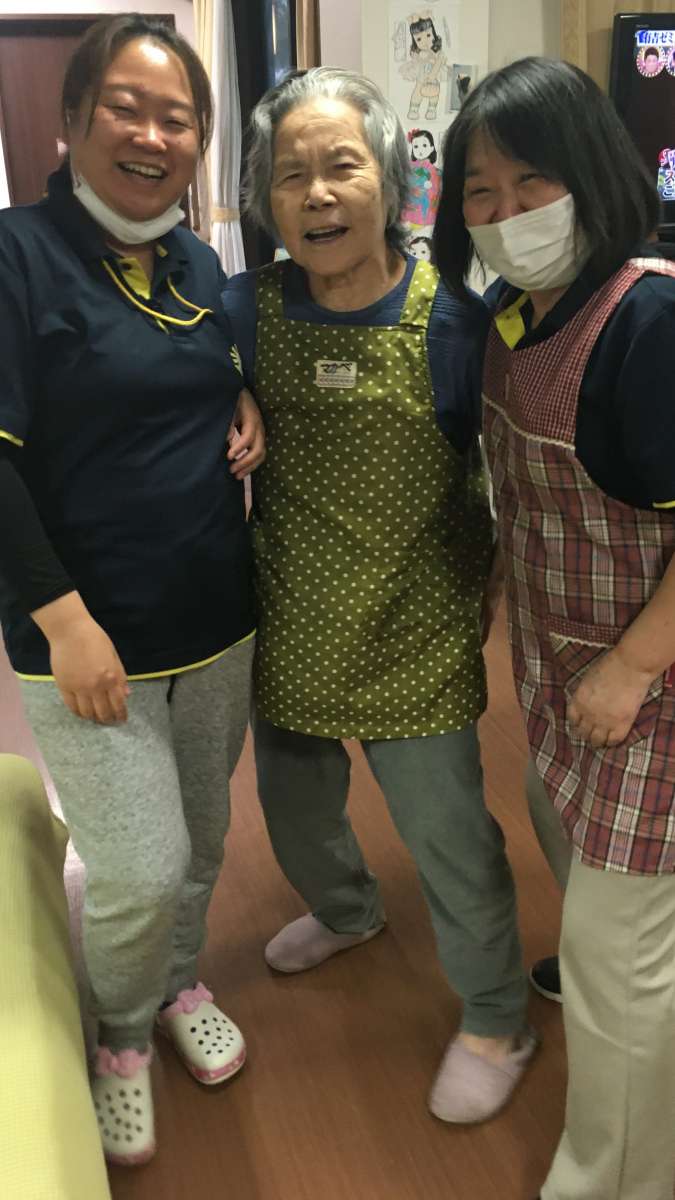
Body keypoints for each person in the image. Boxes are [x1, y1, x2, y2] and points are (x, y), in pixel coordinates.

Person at [222, 66, 536, 1126]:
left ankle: (496, 1016)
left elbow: (510, 461)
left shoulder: (456, 324)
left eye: (341, 166)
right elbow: (175, 383)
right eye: (290, 175)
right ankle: (349, 910)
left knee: (449, 837)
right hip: (293, 616)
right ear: (266, 201)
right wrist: (226, 391)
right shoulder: (246, 311)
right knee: (295, 812)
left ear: (392, 181)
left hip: (418, 626)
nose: (316, 194)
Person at [0, 14, 265, 1166]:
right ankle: (118, 1033)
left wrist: (242, 403)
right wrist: (65, 622)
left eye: (179, 117)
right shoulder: (16, 256)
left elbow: (212, 370)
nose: (154, 135)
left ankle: (174, 983)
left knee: (199, 843)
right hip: (84, 635)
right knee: (138, 866)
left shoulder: (196, 262)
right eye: (126, 107)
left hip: (214, 618)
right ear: (71, 120)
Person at [434, 55, 675, 1200]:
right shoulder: (511, 318)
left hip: (649, 686)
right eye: (480, 190)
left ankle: (615, 1178)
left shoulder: (649, 320)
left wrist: (632, 665)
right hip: (562, 671)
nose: (507, 212)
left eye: (533, 179)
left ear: (593, 172)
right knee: (565, 842)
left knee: (617, 974)